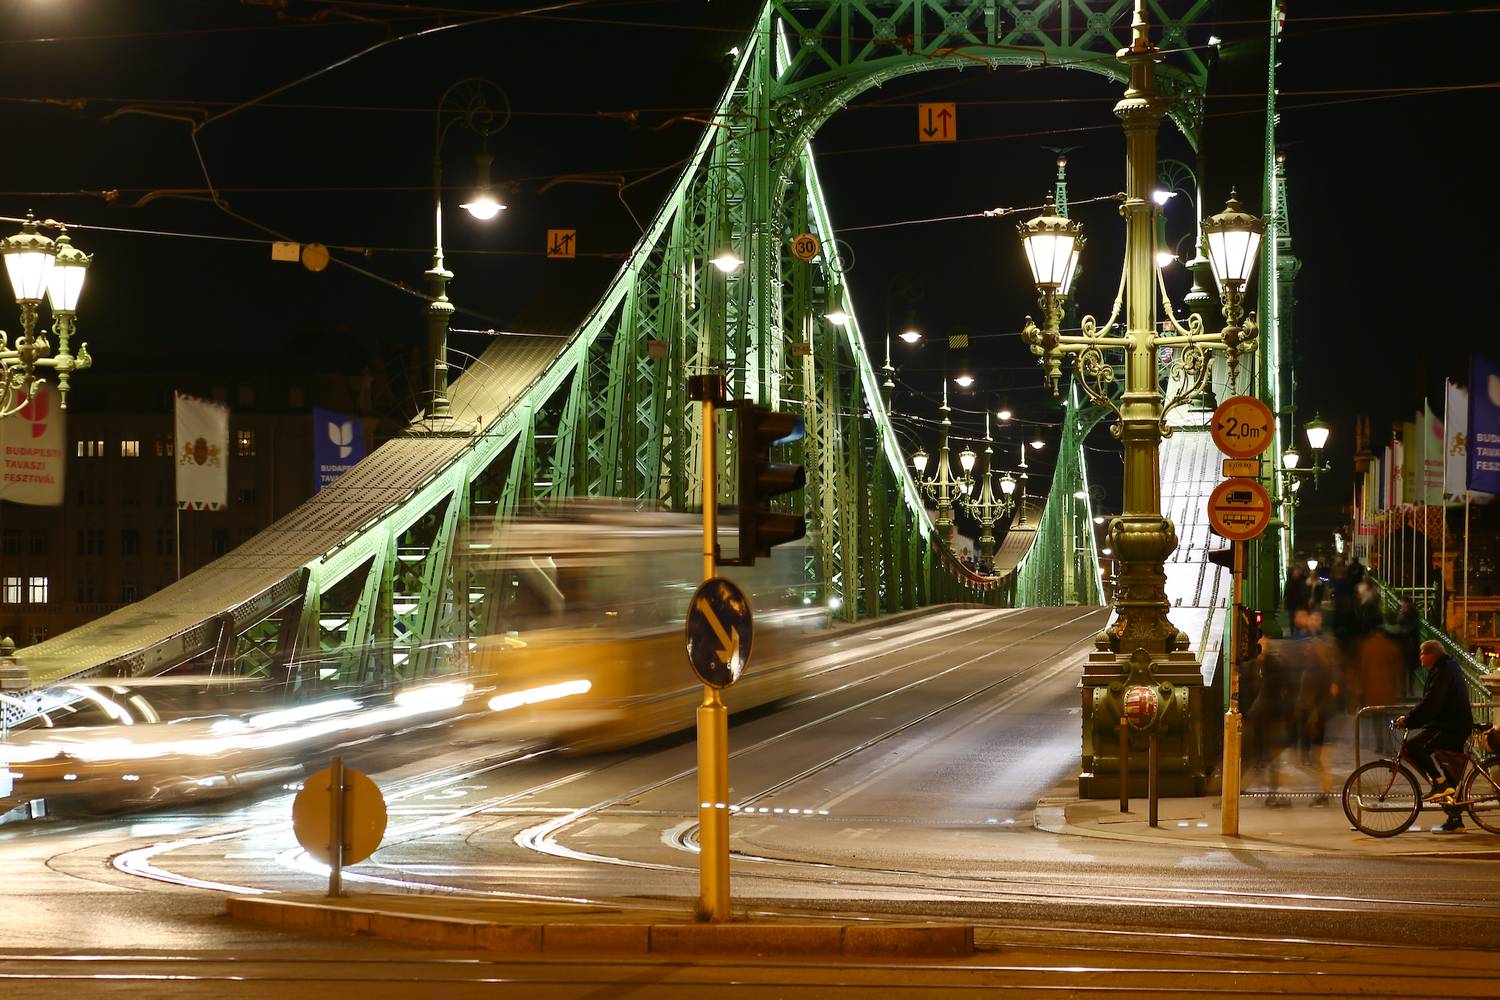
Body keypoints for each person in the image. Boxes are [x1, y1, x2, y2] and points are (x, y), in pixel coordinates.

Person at [1396, 639, 1475, 832]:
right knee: (1451, 773)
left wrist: (1409, 720)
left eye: (1422, 653)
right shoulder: (1444, 669)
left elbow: (1432, 702)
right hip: (1451, 724)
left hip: (1451, 726)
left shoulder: (1443, 671)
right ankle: (1455, 819)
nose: (1420, 657)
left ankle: (1439, 784)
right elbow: (1431, 702)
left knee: (1414, 747)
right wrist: (1414, 720)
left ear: (1432, 655)